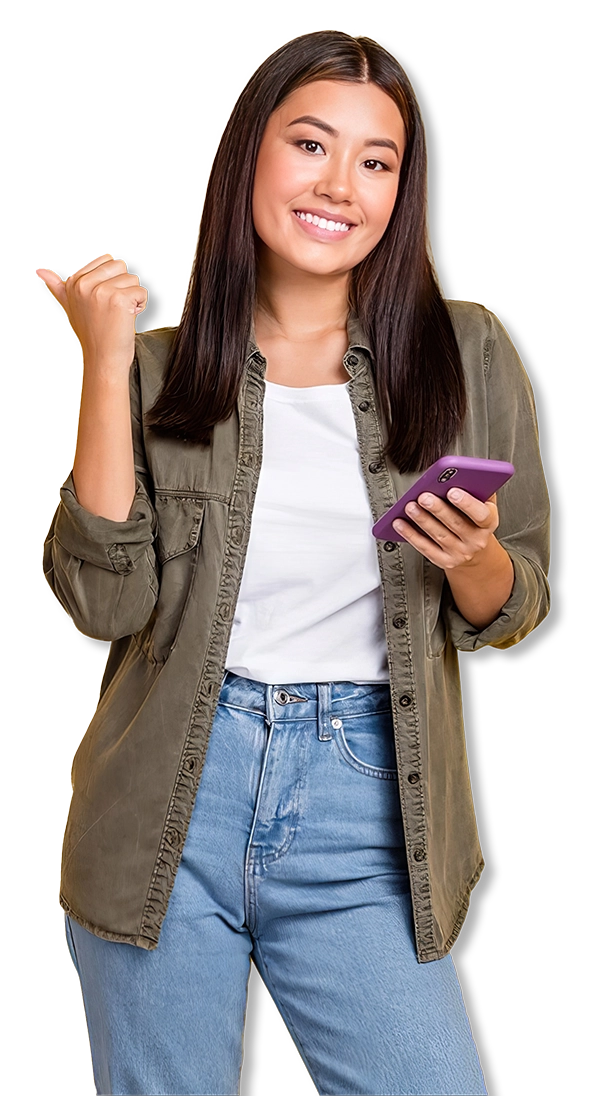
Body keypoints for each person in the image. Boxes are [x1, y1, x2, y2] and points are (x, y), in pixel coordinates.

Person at [36, 29, 549, 1096]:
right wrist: (107, 358)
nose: (340, 186)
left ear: (401, 189)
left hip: (370, 802)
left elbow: (519, 598)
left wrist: (473, 560)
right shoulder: (161, 370)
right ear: (250, 156)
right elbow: (103, 603)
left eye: (376, 160)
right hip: (169, 802)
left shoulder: (468, 352)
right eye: (311, 144)